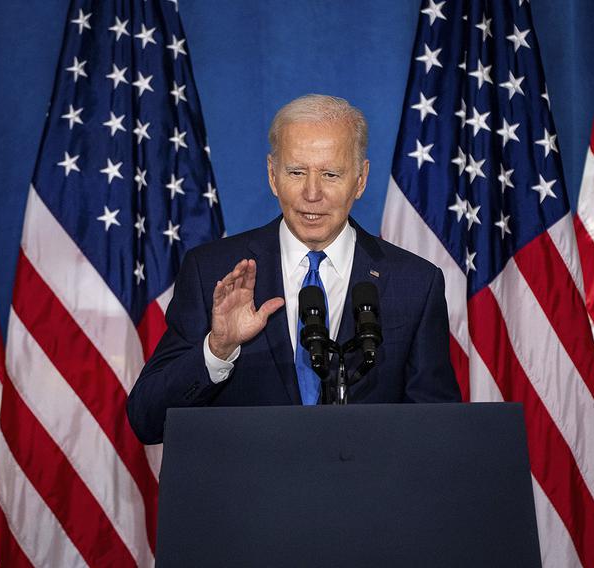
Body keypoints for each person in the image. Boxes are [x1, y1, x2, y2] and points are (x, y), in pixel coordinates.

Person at [127, 94, 461, 445]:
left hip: (364, 496)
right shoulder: (211, 270)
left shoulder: (414, 284)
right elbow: (147, 419)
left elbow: (435, 431)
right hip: (251, 496)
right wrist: (218, 349)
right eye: (296, 172)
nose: (312, 193)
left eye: (331, 174)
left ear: (360, 180)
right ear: (273, 175)